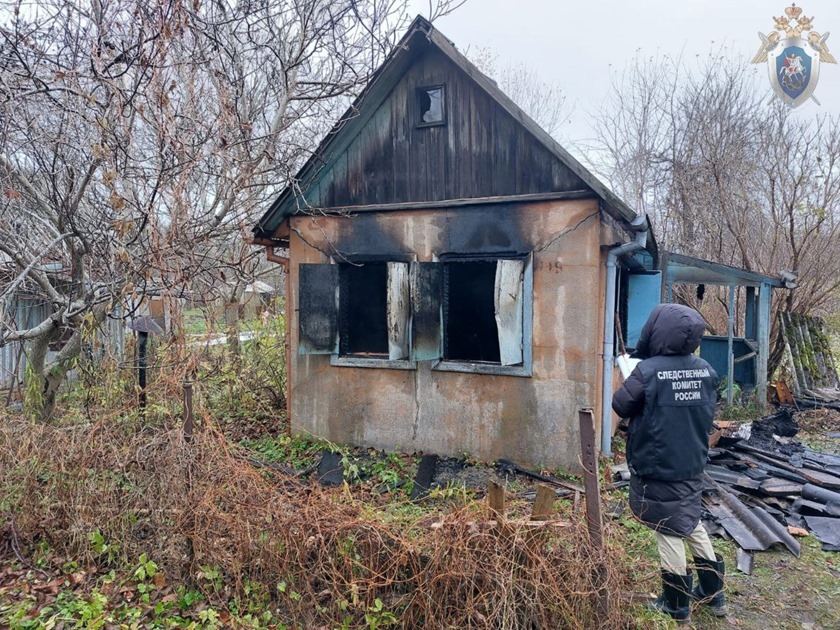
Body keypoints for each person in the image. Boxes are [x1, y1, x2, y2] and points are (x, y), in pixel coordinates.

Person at [612, 304, 726, 624]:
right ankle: (714, 593)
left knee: (668, 529)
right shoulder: (706, 369)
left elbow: (620, 404)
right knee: (690, 521)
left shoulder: (648, 371)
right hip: (691, 461)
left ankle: (676, 604)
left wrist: (635, 374)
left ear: (656, 330)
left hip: (657, 464)